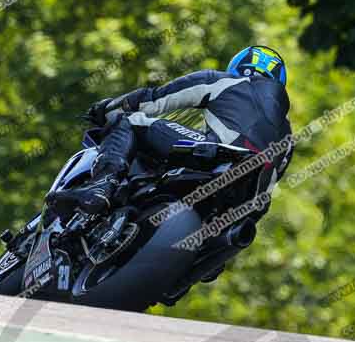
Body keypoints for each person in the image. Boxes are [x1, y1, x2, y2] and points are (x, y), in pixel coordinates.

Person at [46, 45, 294, 220]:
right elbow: (271, 182)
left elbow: (155, 100)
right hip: (243, 204)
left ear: (239, 66)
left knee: (131, 121)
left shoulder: (225, 81)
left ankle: (101, 185)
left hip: (214, 156)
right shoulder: (288, 133)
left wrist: (107, 109)